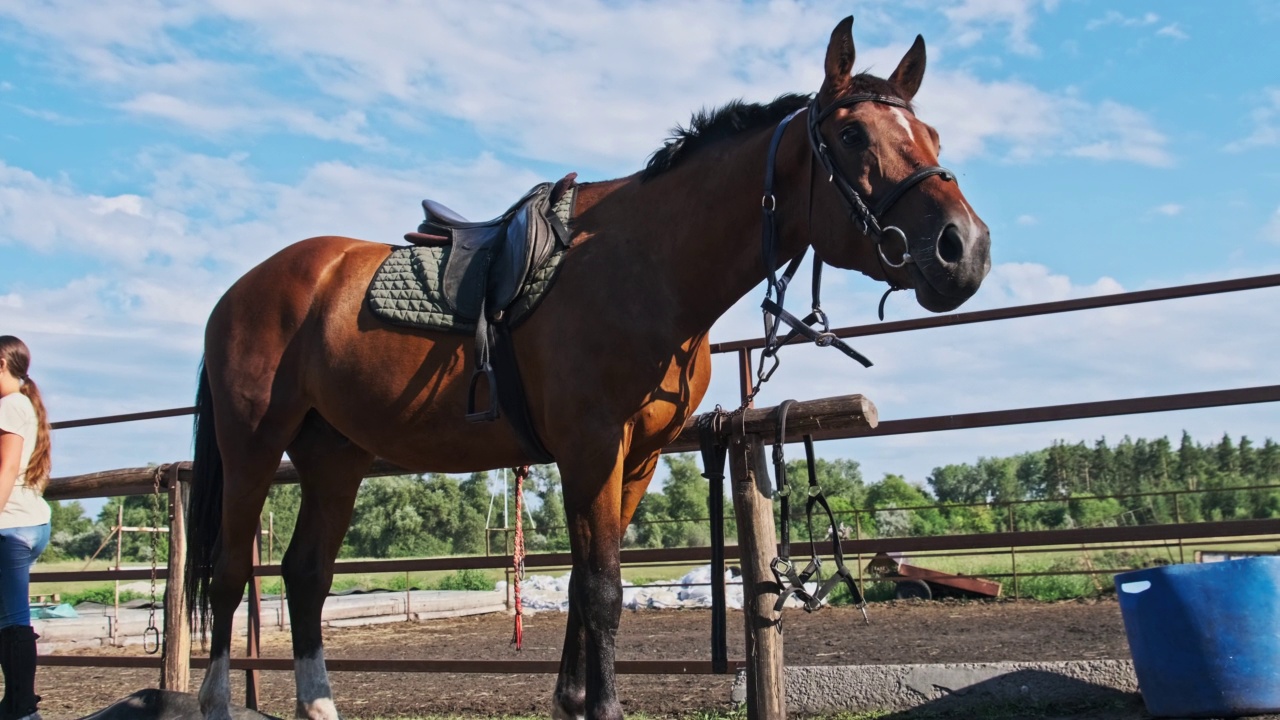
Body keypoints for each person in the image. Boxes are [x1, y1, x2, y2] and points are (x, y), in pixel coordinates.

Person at [0, 336, 50, 720]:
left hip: (10, 526)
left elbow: (8, 468)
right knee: (9, 617)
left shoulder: (10, 406)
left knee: (14, 619)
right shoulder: (24, 404)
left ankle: (21, 709)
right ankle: (15, 705)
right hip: (27, 521)